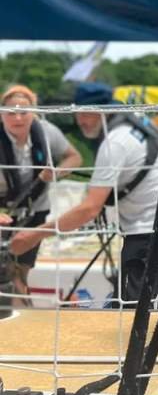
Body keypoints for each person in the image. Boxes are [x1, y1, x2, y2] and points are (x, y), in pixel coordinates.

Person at [10, 82, 158, 306]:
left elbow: (89, 208)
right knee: (153, 309)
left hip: (146, 233)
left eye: (87, 113)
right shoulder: (133, 127)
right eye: (78, 113)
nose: (80, 120)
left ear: (105, 112)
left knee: (131, 313)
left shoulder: (113, 144)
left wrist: (34, 235)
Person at [0, 84, 82, 297]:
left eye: (24, 112)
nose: (18, 118)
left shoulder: (47, 132)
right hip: (2, 211)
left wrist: (55, 172)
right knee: (5, 270)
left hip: (35, 210)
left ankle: (19, 309)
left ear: (34, 112)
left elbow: (74, 157)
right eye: (11, 112)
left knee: (21, 270)